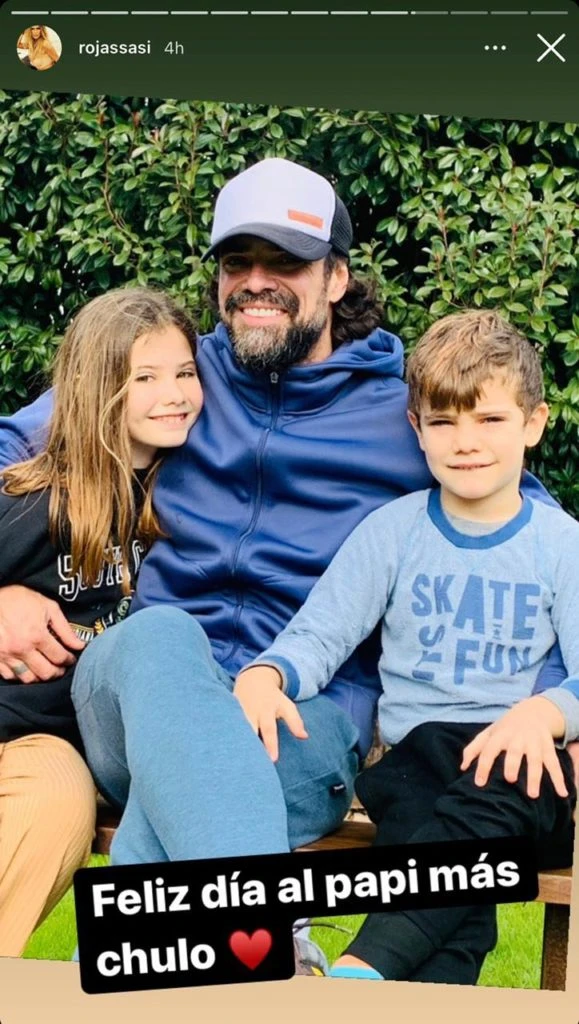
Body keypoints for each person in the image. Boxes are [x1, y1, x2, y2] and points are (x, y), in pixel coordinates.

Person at [0, 159, 563, 976]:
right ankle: (269, 949)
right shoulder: (172, 376)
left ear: (336, 278)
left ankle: (187, 968)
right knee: (161, 633)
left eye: (285, 262)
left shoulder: (407, 415)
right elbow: (13, 449)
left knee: (194, 793)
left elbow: (531, 540)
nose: (256, 283)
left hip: (302, 719)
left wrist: (555, 708)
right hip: (136, 695)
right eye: (238, 262)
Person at [238, 309, 578, 984]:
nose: (466, 442)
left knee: (486, 774)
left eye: (490, 419)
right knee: (452, 889)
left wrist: (545, 713)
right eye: (444, 422)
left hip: (522, 778)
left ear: (533, 424)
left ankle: (362, 966)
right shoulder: (392, 533)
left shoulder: (560, 544)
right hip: (419, 775)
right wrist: (267, 675)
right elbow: (322, 632)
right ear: (416, 428)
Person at [0, 287, 202, 956]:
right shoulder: (36, 502)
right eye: (144, 378)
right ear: (95, 388)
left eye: (185, 373)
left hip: (47, 749)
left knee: (60, 796)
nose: (173, 394)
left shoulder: (189, 499)